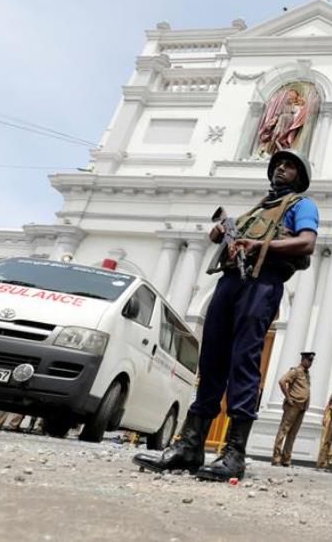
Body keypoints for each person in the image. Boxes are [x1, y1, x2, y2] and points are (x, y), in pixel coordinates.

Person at [133, 150, 319, 482]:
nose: (280, 169)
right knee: (212, 362)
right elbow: (221, 238)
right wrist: (222, 234)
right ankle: (190, 446)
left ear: (300, 176)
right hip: (229, 283)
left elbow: (306, 243)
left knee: (244, 361)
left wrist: (259, 245)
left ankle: (234, 453)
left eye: (289, 166)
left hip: (262, 283)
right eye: (277, 164)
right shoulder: (257, 209)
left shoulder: (300, 206)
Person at [272, 351, 314, 466]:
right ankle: (276, 458)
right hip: (293, 405)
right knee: (283, 430)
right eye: (309, 360)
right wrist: (288, 397)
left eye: (312, 361)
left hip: (302, 406)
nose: (310, 363)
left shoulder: (306, 374)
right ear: (303, 359)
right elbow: (282, 381)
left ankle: (286, 459)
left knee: (293, 434)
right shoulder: (295, 371)